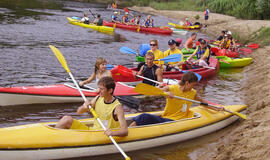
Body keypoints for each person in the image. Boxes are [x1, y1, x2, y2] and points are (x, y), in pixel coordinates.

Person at [130, 71, 224, 126]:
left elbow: (203, 102)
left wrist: (217, 108)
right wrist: (166, 93)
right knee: (143, 117)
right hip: (168, 118)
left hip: (177, 121)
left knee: (143, 117)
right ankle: (129, 131)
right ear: (187, 83)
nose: (194, 87)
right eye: (193, 85)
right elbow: (159, 90)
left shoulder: (192, 93)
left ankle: (129, 132)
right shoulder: (172, 88)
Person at [55, 77, 128, 137]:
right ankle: (53, 136)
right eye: (98, 88)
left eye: (101, 89)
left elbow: (125, 131)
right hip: (92, 131)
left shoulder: (118, 107)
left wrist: (112, 133)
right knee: (66, 119)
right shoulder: (98, 98)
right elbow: (79, 112)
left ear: (110, 90)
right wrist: (84, 107)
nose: (98, 91)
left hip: (103, 135)